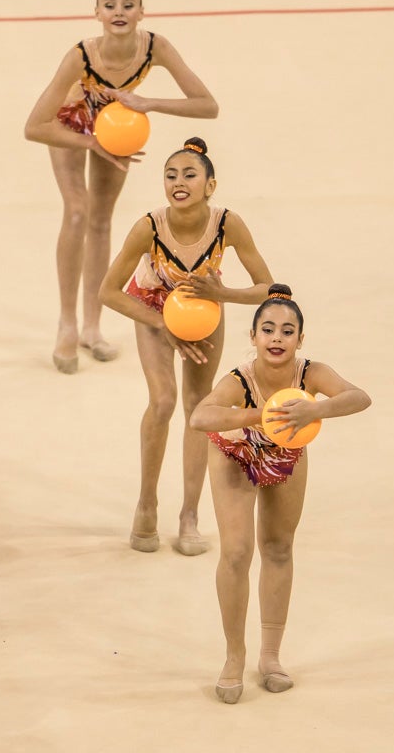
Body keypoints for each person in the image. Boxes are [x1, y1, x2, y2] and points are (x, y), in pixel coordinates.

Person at [25, 0, 218, 374]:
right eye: (109, 5)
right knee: (77, 210)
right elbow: (34, 126)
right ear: (96, 13)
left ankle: (92, 327)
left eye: (128, 5)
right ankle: (67, 322)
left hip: (118, 125)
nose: (119, 11)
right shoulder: (80, 56)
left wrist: (149, 103)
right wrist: (92, 141)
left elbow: (207, 105)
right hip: (70, 124)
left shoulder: (155, 48)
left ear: (141, 12)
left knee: (101, 222)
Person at [189, 285, 371, 702]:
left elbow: (360, 397)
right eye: (267, 329)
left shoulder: (310, 373)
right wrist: (260, 415)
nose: (277, 338)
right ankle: (234, 657)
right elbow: (201, 416)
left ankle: (270, 657)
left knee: (278, 548)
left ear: (300, 340)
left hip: (286, 453)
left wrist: (317, 408)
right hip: (235, 453)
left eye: (287, 331)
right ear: (253, 337)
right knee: (236, 552)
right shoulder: (239, 379)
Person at [99, 138, 273, 556]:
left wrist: (224, 292)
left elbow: (270, 288)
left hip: (204, 312)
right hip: (155, 310)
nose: (179, 182)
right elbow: (108, 292)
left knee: (199, 408)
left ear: (210, 185)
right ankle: (146, 503)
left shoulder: (228, 224)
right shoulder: (149, 227)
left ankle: (189, 515)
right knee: (162, 402)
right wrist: (164, 324)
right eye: (171, 175)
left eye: (189, 175)